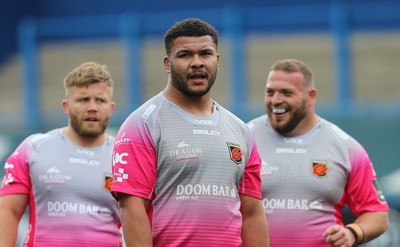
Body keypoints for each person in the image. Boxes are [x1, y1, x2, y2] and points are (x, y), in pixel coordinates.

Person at [111, 18, 269, 247]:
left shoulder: (240, 131)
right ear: (167, 63)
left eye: (205, 54)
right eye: (185, 55)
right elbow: (132, 208)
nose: (197, 63)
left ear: (217, 60)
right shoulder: (142, 124)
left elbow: (252, 213)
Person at [247, 58, 389, 247]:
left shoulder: (345, 147)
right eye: (270, 92)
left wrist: (353, 232)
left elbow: (378, 214)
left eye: (287, 93)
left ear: (311, 97)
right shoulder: (244, 138)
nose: (276, 100)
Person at [0, 61, 122, 246]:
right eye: (83, 99)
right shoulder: (33, 148)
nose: (92, 107)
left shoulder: (124, 157)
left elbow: (145, 218)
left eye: (100, 100)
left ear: (111, 108)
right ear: (66, 106)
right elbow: (8, 210)